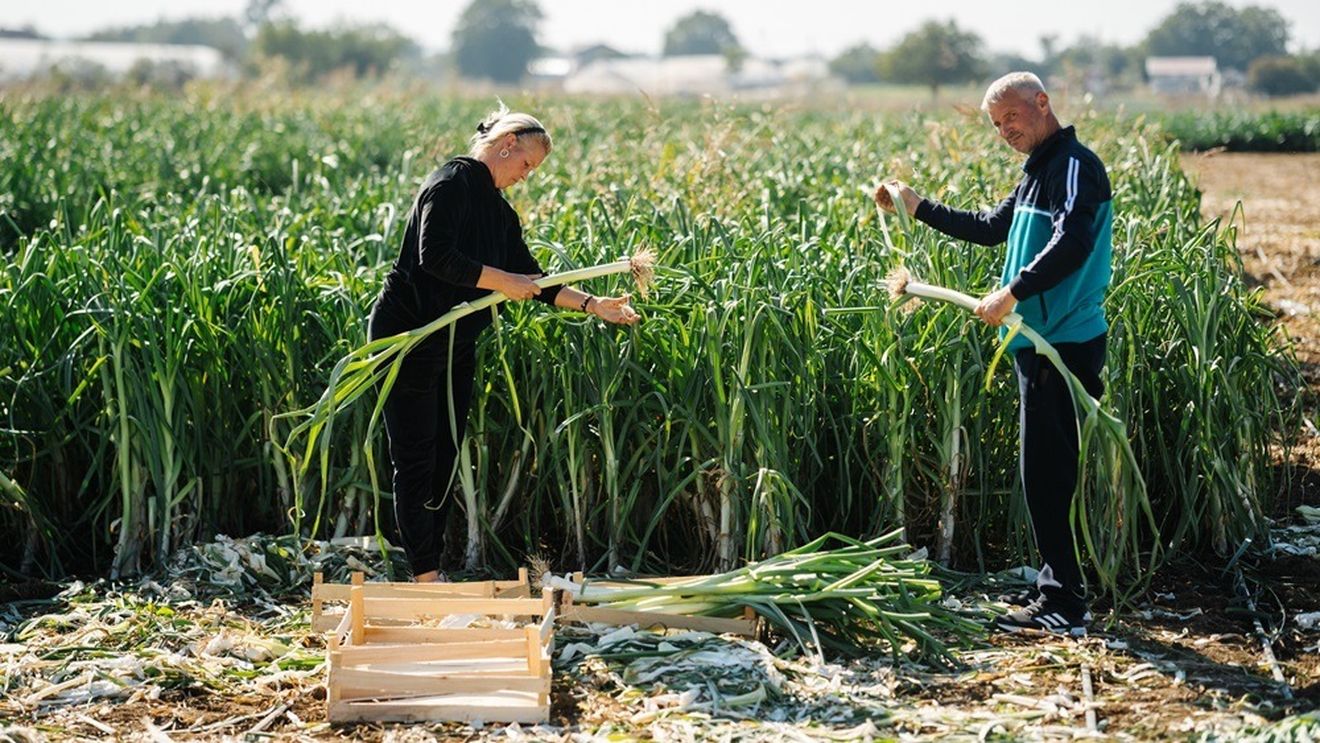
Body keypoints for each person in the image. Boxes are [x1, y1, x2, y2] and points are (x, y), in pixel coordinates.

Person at [874, 72, 1113, 636]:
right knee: (1040, 471)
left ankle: (1065, 604)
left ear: (1042, 103)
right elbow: (990, 229)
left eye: (1012, 117)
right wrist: (916, 206)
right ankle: (1056, 584)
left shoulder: (1074, 165)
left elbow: (1074, 241)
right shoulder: (1035, 175)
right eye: (996, 124)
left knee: (1046, 472)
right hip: (1037, 340)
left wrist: (1013, 292)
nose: (1005, 130)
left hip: (1064, 341)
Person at [368, 103, 640, 583]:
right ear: (507, 144)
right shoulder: (450, 183)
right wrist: (502, 281)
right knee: (415, 455)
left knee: (446, 455)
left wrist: (594, 304)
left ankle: (428, 567)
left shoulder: (500, 214)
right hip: (407, 335)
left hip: (455, 341)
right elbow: (437, 258)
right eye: (526, 165)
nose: (526, 176)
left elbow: (535, 281)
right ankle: (426, 578)